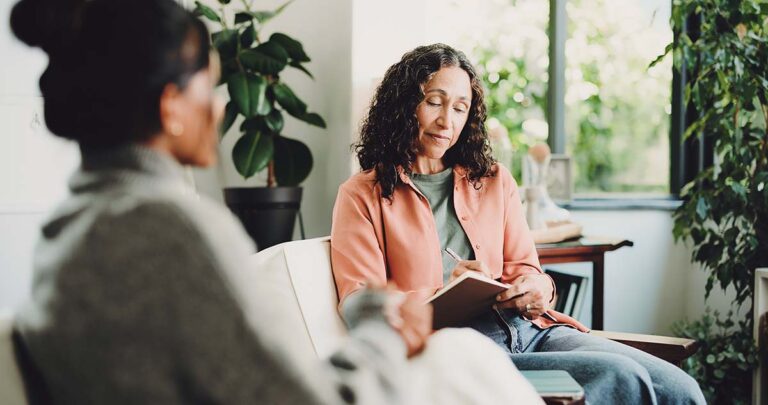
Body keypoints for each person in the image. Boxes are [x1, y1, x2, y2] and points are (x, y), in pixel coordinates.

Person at [7, 1, 484, 403]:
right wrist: (382, 329)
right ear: (171, 106)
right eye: (208, 87)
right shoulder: (170, 231)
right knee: (464, 363)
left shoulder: (67, 227)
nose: (218, 108)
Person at [330, 43, 706, 404]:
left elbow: (528, 269)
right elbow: (360, 305)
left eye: (461, 108)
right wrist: (447, 291)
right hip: (463, 352)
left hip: (533, 331)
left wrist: (538, 288)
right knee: (622, 377)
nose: (447, 120)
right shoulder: (362, 195)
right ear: (404, 105)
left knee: (679, 387)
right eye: (434, 102)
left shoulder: (493, 179)